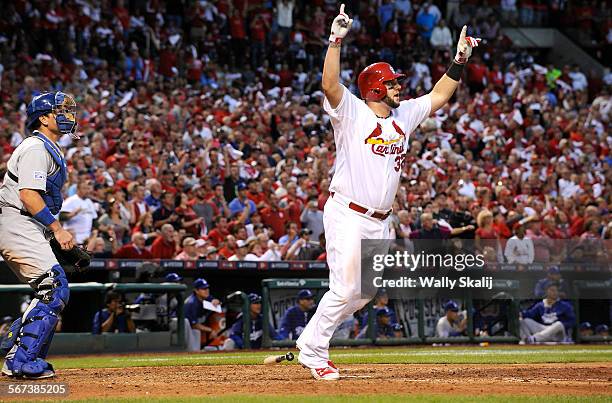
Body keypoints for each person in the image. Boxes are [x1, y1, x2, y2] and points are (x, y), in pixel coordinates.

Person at [296, 4, 480, 380]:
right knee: (346, 287)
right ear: (376, 87)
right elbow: (330, 85)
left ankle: (310, 338)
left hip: (381, 221)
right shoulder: (353, 112)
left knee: (361, 296)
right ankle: (313, 352)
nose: (399, 86)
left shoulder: (403, 115)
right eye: (393, 82)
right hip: (348, 212)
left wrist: (459, 60)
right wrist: (335, 41)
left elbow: (439, 95)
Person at [0, 92, 79, 379]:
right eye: (60, 111)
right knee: (54, 286)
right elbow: (29, 195)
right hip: (16, 221)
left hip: (25, 224)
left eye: (68, 111)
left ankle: (16, 350)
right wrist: (57, 229)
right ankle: (19, 360)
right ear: (43, 118)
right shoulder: (36, 147)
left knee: (52, 288)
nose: (68, 116)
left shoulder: (48, 147)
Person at [183, 278, 221, 349]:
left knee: (197, 332)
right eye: (203, 289)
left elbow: (213, 300)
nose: (206, 291)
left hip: (192, 326)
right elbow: (194, 325)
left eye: (207, 288)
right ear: (196, 291)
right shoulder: (192, 303)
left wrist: (215, 300)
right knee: (194, 330)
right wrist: (210, 330)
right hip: (182, 326)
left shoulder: (204, 297)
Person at [60, 180, 97, 245]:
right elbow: (61, 217)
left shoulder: (90, 202)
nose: (87, 191)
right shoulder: (71, 200)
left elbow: (94, 221)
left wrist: (106, 228)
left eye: (88, 188)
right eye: (84, 188)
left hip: (87, 238)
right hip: (73, 238)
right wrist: (72, 214)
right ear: (78, 189)